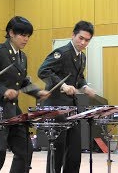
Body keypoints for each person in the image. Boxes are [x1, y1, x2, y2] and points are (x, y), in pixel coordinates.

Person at [0, 16, 50, 173]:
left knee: (25, 149)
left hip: (12, 109)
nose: (26, 39)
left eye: (28, 36)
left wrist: (38, 92)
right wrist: (3, 90)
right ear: (11, 33)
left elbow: (23, 82)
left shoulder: (22, 57)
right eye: (22, 35)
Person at [38, 20, 96, 173]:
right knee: (57, 147)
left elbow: (79, 78)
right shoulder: (62, 53)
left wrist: (84, 87)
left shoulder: (82, 57)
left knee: (75, 149)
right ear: (73, 35)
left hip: (72, 107)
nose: (83, 42)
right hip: (57, 106)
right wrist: (63, 85)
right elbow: (43, 71)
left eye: (87, 40)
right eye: (80, 38)